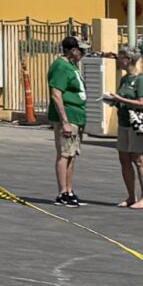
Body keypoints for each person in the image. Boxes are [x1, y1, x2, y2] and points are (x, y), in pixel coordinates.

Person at [108, 46, 143, 209]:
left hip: (137, 125)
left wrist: (120, 98)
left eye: (120, 57)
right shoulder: (125, 79)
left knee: (138, 158)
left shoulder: (140, 79)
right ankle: (130, 196)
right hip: (124, 123)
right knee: (124, 158)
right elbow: (123, 98)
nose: (118, 60)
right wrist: (114, 101)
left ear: (128, 59)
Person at [46, 35, 87, 206]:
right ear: (73, 50)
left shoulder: (71, 66)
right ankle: (62, 192)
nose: (83, 53)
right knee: (64, 154)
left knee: (72, 154)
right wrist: (65, 121)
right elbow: (56, 94)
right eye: (81, 50)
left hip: (77, 116)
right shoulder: (61, 66)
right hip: (69, 117)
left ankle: (69, 190)